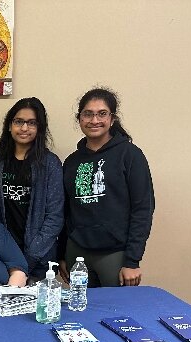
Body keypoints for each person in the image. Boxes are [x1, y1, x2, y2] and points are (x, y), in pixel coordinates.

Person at [61, 87, 154, 287]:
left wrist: (132, 261)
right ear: (79, 119)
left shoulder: (130, 155)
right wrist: (61, 254)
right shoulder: (71, 162)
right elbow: (65, 211)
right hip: (77, 253)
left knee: (115, 314)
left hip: (115, 254)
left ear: (112, 119)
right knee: (80, 311)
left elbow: (143, 209)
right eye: (88, 114)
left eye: (102, 114)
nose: (94, 120)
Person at [0, 97, 64, 282]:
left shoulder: (50, 164)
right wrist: (0, 254)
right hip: (2, 260)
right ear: (9, 126)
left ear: (40, 128)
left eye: (31, 123)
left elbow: (55, 217)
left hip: (40, 262)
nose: (24, 128)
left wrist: (28, 260)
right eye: (19, 122)